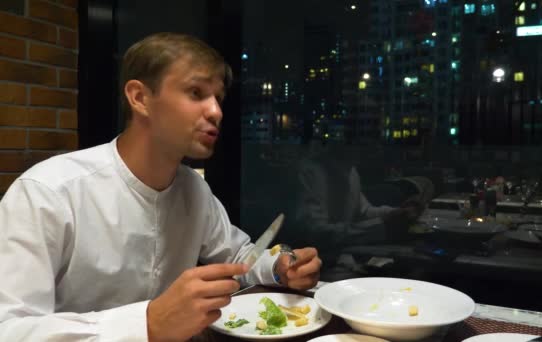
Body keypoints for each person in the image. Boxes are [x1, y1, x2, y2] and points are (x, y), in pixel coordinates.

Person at [0, 32, 321, 341]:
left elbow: (240, 259)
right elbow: (9, 329)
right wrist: (148, 323)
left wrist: (280, 269)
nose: (216, 111)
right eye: (196, 93)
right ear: (140, 98)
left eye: (218, 98)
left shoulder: (194, 191)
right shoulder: (47, 192)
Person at [285, 142, 433, 279]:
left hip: (345, 259)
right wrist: (383, 225)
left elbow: (364, 211)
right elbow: (317, 234)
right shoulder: (310, 172)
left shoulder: (350, 169)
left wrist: (397, 212)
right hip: (316, 268)